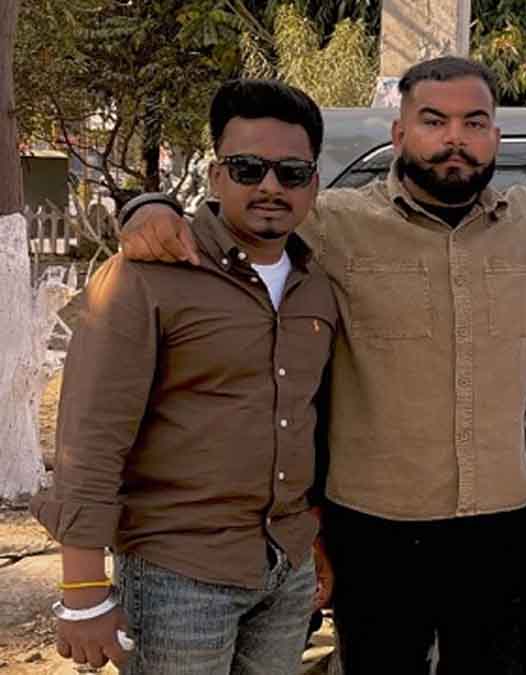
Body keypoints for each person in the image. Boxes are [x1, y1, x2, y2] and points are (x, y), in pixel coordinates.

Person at [115, 57, 526, 674]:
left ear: (495, 137)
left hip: (501, 527)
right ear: (400, 133)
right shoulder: (332, 221)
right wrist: (146, 206)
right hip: (374, 528)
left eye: (474, 123)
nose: (454, 139)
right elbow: (232, 219)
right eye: (434, 121)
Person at [31, 79, 337, 673]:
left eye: (291, 172)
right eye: (248, 168)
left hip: (286, 569)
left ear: (313, 184)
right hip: (177, 575)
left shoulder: (317, 284)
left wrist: (314, 537)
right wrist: (82, 589)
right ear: (216, 176)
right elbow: (90, 436)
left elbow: (311, 420)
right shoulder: (147, 275)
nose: (270, 186)